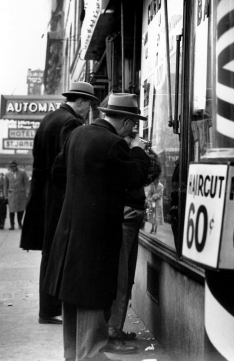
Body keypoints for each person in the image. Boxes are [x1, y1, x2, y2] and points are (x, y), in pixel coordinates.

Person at [43, 93, 150, 361]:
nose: (133, 130)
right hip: (95, 238)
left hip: (69, 234)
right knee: (91, 304)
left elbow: (58, 173)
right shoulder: (115, 144)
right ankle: (89, 356)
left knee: (73, 305)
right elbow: (135, 176)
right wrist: (138, 149)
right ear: (126, 122)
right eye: (133, 124)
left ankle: (73, 355)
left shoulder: (77, 134)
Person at [20, 81, 99, 325]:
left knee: (49, 252)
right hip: (57, 197)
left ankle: (49, 308)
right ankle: (50, 309)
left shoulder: (49, 119)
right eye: (89, 106)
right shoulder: (70, 122)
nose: (89, 112)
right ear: (81, 101)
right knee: (58, 253)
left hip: (43, 196)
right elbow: (68, 164)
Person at [108, 132, 161, 354]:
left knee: (127, 278)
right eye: (132, 135)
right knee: (121, 279)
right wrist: (138, 152)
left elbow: (151, 173)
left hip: (132, 219)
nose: (135, 138)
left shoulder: (130, 153)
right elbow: (133, 177)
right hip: (125, 220)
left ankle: (116, 329)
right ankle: (112, 332)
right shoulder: (119, 151)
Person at [4, 161, 30, 230]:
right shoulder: (7, 174)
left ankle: (20, 223)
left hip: (21, 194)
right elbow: (5, 185)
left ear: (16, 166)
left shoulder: (22, 173)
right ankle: (12, 225)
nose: (13, 168)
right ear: (10, 167)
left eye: (14, 166)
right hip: (11, 195)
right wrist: (5, 195)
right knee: (11, 210)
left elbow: (26, 183)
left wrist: (27, 192)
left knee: (20, 209)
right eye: (11, 167)